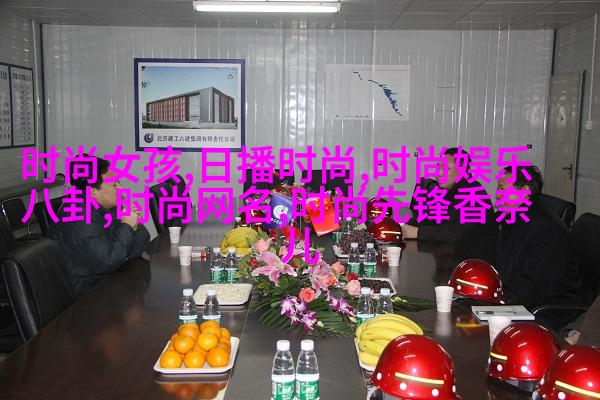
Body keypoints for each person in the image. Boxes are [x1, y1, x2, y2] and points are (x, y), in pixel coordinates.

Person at [495, 165, 582, 331]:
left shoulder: (548, 230)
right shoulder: (512, 219)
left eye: (502, 188)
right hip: (517, 301)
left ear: (525, 191)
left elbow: (534, 289)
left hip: (546, 310)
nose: (497, 194)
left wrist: (498, 306)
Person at [47, 156, 150, 296]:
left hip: (106, 280)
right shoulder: (78, 218)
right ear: (92, 191)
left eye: (119, 182)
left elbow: (138, 248)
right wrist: (126, 226)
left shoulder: (108, 207)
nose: (121, 189)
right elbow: (107, 262)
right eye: (114, 185)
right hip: (84, 295)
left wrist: (135, 227)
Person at [401, 147, 497, 251]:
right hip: (451, 253)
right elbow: (429, 219)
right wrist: (401, 227)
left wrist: (418, 232)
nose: (439, 173)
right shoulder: (446, 190)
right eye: (438, 168)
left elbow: (458, 233)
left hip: (475, 257)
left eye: (446, 169)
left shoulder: (475, 194)